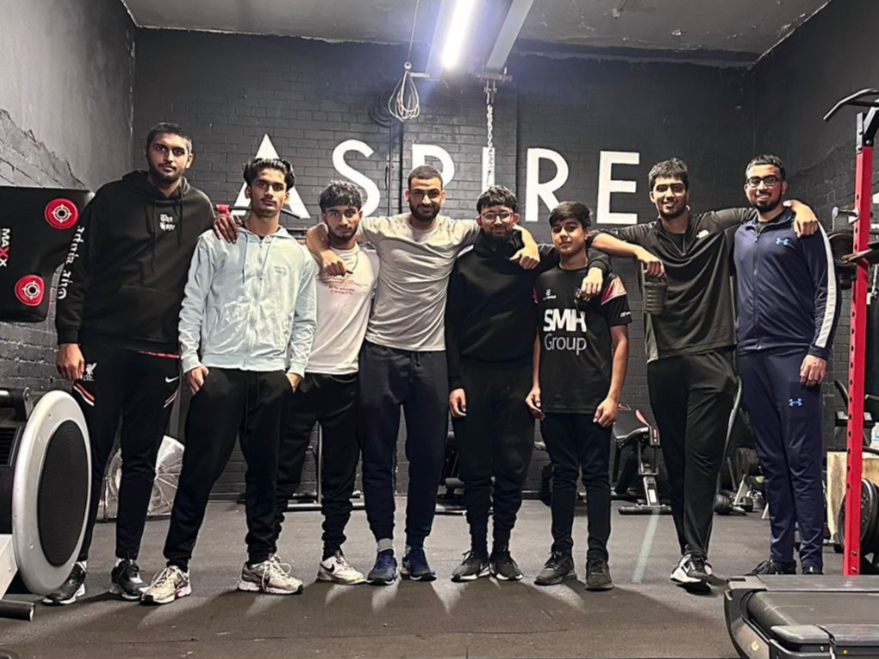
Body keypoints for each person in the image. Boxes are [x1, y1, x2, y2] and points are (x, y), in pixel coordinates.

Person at [588, 158, 818, 591]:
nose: (669, 195)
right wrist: (635, 253)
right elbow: (592, 237)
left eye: (676, 187)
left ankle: (696, 555)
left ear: (687, 192)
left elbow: (767, 208)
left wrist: (801, 205)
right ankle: (688, 555)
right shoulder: (642, 234)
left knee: (702, 459)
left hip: (714, 358)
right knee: (675, 462)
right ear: (651, 196)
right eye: (661, 190)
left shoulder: (717, 224)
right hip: (664, 362)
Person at [305, 166, 540, 585]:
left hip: (431, 357)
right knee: (378, 456)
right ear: (407, 195)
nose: (426, 200)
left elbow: (504, 227)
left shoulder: (457, 231)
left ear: (443, 196)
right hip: (380, 353)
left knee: (428, 459)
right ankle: (383, 551)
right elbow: (322, 230)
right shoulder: (382, 227)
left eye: (433, 193)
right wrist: (322, 252)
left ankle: (416, 548)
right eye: (419, 193)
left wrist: (530, 241)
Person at [46, 123, 214, 605]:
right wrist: (68, 339)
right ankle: (74, 564)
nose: (169, 158)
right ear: (148, 152)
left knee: (140, 462)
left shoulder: (201, 209)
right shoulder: (111, 200)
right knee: (90, 457)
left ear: (190, 159)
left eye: (178, 152)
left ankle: (125, 563)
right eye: (161, 149)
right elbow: (76, 270)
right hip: (101, 346)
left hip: (161, 351)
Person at [141, 158, 316, 605]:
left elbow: (304, 320)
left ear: (286, 194)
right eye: (262, 185)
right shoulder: (215, 242)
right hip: (217, 373)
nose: (270, 193)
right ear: (249, 190)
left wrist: (293, 371)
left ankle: (259, 564)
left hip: (272, 378)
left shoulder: (297, 256)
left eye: (278, 186)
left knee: (266, 479)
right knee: (198, 475)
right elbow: (192, 303)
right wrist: (191, 362)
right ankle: (177, 568)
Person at [445, 186, 611, 582]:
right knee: (474, 469)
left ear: (516, 218)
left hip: (518, 375)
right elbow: (449, 327)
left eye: (505, 214)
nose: (498, 221)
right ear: (479, 219)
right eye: (490, 214)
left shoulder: (535, 258)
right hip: (472, 375)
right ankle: (477, 550)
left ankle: (502, 551)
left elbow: (595, 246)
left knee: (512, 466)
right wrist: (454, 382)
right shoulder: (464, 265)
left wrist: (597, 268)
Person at [734, 155, 839, 576]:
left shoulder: (805, 228)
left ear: (783, 185)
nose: (761, 187)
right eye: (753, 181)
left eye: (769, 181)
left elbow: (827, 291)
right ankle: (781, 558)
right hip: (752, 358)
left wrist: (818, 350)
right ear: (746, 188)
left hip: (794, 356)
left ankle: (811, 562)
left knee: (801, 461)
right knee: (772, 462)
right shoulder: (741, 234)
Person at [270, 181, 378, 585]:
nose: (344, 220)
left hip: (346, 380)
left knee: (340, 476)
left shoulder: (373, 263)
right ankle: (265, 553)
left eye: (350, 212)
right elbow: (307, 241)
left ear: (360, 215)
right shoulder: (304, 255)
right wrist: (320, 248)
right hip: (299, 376)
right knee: (283, 470)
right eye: (335, 213)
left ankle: (332, 555)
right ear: (324, 217)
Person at [526, 201, 631, 591]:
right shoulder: (544, 281)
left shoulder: (606, 279)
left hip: (593, 399)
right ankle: (562, 556)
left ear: (586, 232)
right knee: (563, 477)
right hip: (555, 397)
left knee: (598, 479)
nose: (564, 235)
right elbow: (539, 335)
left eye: (572, 227)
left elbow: (621, 342)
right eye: (558, 229)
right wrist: (536, 385)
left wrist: (613, 395)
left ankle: (597, 560)